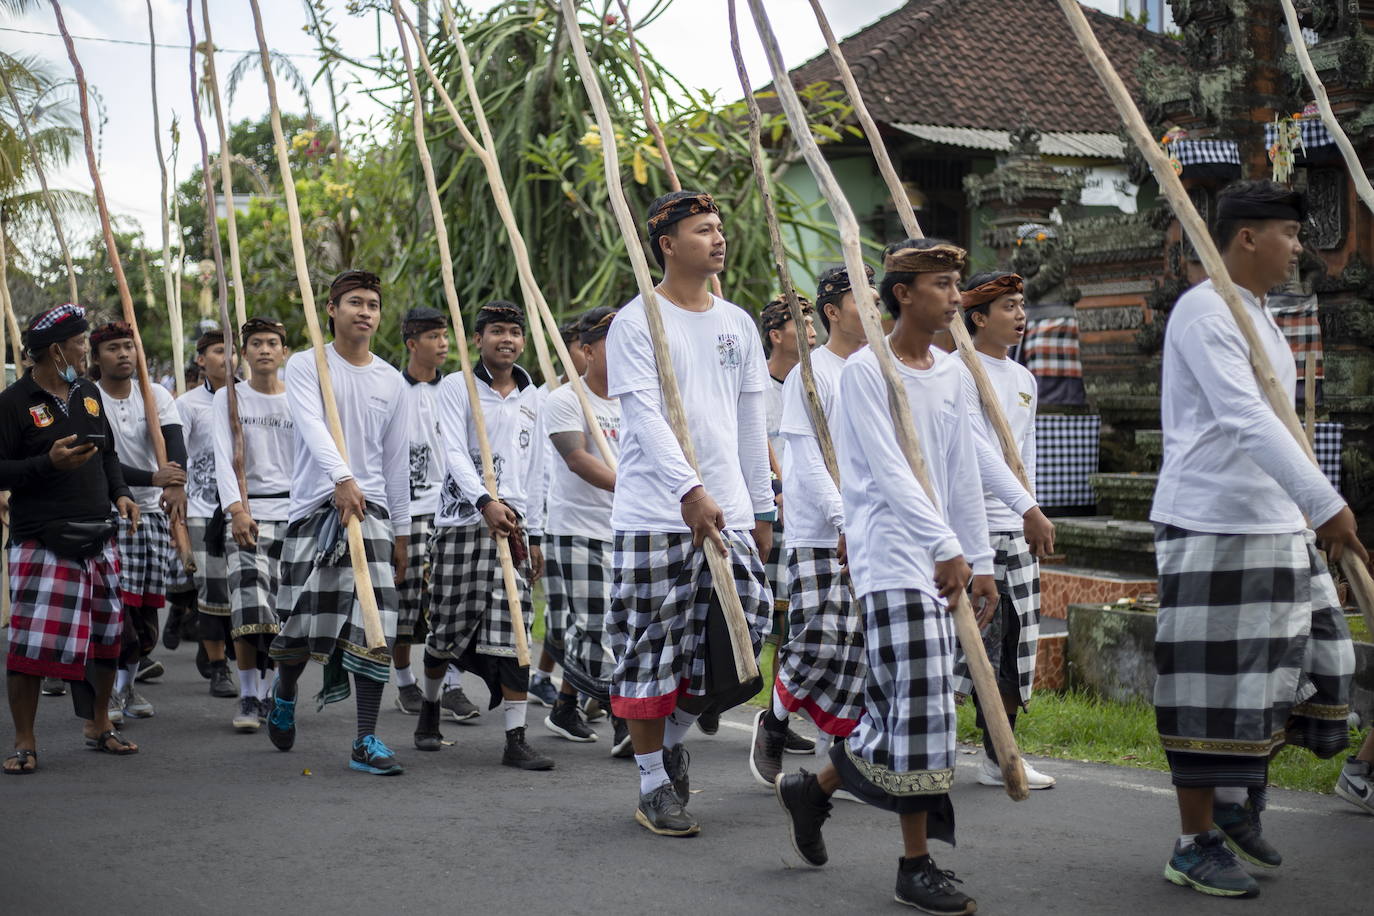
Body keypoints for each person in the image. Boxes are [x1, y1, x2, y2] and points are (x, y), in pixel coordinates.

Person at [1149, 180, 1363, 898]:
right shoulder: (1206, 311)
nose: (1299, 248)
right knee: (1210, 692)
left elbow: (1281, 425)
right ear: (1248, 237)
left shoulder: (1261, 317)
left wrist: (1307, 509)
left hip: (1277, 521)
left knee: (1312, 667)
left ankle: (1236, 798)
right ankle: (1193, 843)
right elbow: (1244, 419)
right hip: (1214, 521)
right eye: (1290, 235)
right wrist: (1326, 503)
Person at [775, 240, 999, 915]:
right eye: (941, 285)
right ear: (903, 294)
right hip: (891, 559)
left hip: (942, 560)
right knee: (924, 705)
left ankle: (814, 789)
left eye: (956, 283)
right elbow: (888, 472)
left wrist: (980, 559)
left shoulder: (952, 373)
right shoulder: (864, 373)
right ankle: (914, 865)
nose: (955, 297)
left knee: (908, 708)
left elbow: (960, 471)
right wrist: (943, 545)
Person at [607, 190, 775, 837]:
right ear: (667, 244)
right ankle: (653, 782)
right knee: (652, 650)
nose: (718, 237)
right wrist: (688, 489)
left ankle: (673, 737)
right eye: (703, 229)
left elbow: (750, 422)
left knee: (745, 631)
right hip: (656, 515)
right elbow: (644, 418)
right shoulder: (636, 322)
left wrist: (759, 507)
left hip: (727, 513)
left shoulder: (737, 322)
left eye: (719, 227)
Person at [265, 270, 412, 776]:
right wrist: (341, 477)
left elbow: (395, 463)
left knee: (375, 625)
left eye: (373, 304)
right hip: (315, 510)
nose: (365, 312)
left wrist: (402, 532)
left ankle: (365, 739)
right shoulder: (308, 365)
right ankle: (285, 693)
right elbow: (312, 426)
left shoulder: (391, 380)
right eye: (355, 302)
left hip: (371, 515)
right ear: (331, 309)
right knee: (299, 626)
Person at [2, 304, 143, 770]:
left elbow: (108, 455)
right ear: (56, 350)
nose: (87, 350)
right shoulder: (13, 402)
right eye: (80, 342)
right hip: (40, 539)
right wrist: (48, 463)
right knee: (30, 645)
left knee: (107, 637)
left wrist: (121, 494)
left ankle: (99, 725)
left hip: (98, 534)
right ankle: (25, 742)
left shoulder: (87, 392)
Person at [416, 300, 551, 771]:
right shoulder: (458, 387)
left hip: (513, 525)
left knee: (515, 629)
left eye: (514, 331)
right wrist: (482, 501)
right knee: (446, 627)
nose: (506, 339)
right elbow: (452, 452)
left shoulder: (534, 397)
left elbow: (537, 469)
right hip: (463, 522)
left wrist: (536, 533)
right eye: (496, 331)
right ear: (478, 339)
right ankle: (430, 707)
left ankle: (516, 738)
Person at [750, 268, 868, 786]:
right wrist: (842, 518)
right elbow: (806, 458)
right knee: (817, 640)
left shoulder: (874, 369)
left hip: (869, 530)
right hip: (818, 529)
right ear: (833, 311)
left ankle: (833, 762)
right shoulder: (811, 374)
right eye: (859, 299)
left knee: (854, 651)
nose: (873, 307)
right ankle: (774, 722)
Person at [947, 272, 1058, 791]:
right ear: (978, 318)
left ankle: (1000, 754)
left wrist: (1029, 511)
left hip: (1015, 527)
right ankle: (919, 746)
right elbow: (976, 451)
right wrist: (1027, 507)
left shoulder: (1023, 378)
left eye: (1021, 304)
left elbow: (1022, 455)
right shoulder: (956, 372)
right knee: (966, 644)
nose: (1020, 315)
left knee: (1014, 642)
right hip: (969, 527)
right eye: (1008, 306)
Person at [92, 321, 187, 723]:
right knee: (118, 609)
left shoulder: (155, 394)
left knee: (146, 614)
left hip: (151, 514)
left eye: (129, 347)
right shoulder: (89, 399)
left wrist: (176, 483)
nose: (124, 354)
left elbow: (174, 444)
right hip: (108, 513)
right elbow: (101, 460)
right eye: (113, 348)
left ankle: (127, 687)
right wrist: (152, 478)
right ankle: (110, 692)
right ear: (96, 357)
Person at [392, 307, 480, 722]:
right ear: (412, 343)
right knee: (406, 599)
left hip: (452, 510)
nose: (443, 343)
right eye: (433, 337)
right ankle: (404, 682)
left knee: (451, 598)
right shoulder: (394, 390)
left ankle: (453, 686)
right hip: (408, 510)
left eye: (445, 336)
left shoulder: (458, 389)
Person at [541, 306, 621, 748]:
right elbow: (577, 460)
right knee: (596, 626)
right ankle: (625, 717)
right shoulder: (565, 399)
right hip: (578, 530)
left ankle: (565, 705)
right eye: (611, 343)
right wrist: (631, 488)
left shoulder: (637, 399)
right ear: (587, 351)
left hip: (626, 529)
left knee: (617, 626)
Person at [213, 317, 293, 732]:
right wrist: (236, 510)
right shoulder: (229, 398)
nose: (264, 349)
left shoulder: (299, 398)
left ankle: (268, 691)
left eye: (272, 343)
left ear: (284, 352)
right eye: (256, 343)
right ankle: (247, 693)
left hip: (294, 513)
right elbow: (222, 456)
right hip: (249, 514)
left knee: (282, 610)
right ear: (243, 353)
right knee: (248, 603)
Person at [529, 317, 589, 712]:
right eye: (579, 346)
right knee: (562, 610)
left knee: (576, 610)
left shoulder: (599, 395)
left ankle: (553, 681)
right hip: (553, 513)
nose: (586, 354)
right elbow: (536, 463)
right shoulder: (544, 397)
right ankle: (556, 685)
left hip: (592, 514)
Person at [176, 330, 237, 699]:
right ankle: (218, 667)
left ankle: (220, 644)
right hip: (201, 508)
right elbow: (176, 456)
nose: (227, 357)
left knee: (243, 588)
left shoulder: (250, 398)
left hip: (243, 508)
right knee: (212, 587)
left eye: (231, 350)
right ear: (201, 360)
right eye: (218, 351)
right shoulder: (187, 405)